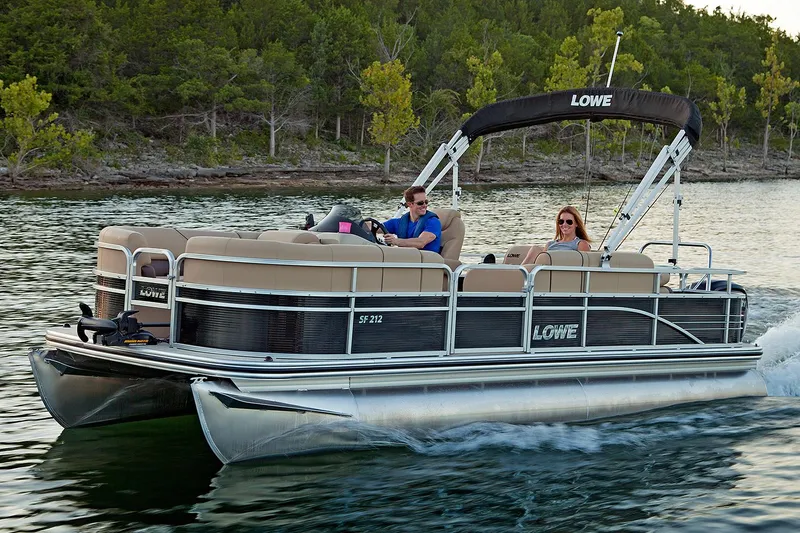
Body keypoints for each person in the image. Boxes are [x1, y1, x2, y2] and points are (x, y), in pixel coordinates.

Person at [382, 185, 442, 253]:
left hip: (428, 261)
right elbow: (374, 226)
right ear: (410, 204)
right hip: (408, 260)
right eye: (420, 203)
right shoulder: (398, 223)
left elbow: (421, 242)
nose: (425, 205)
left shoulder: (433, 222)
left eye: (426, 202)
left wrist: (396, 241)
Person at [522, 205, 591, 263]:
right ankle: (519, 272)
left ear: (577, 224)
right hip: (542, 271)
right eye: (561, 221)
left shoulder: (581, 244)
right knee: (535, 249)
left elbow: (583, 266)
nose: (564, 225)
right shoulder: (550, 244)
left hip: (559, 274)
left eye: (569, 222)